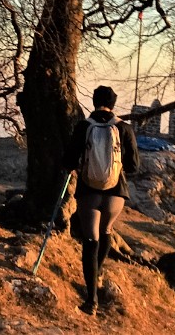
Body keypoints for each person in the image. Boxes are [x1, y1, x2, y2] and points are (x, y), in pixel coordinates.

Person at [60, 85, 139, 316]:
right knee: (106, 231)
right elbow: (134, 166)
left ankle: (91, 301)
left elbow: (68, 160)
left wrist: (76, 167)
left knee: (90, 240)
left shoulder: (85, 126)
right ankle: (99, 271)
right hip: (116, 194)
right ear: (113, 104)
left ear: (94, 103)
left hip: (89, 192)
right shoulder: (124, 128)